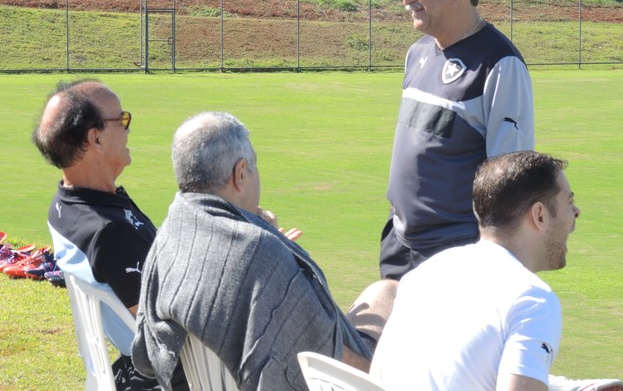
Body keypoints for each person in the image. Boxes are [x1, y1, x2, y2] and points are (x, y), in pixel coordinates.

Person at [131, 111, 397, 391]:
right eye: (255, 167)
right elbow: (325, 357)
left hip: (205, 382)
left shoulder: (169, 236)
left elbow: (147, 357)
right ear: (241, 173)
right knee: (396, 299)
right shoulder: (259, 253)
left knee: (385, 290)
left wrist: (267, 234)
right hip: (330, 380)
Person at [379, 0, 535, 281]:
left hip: (454, 258)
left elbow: (509, 184)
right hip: (399, 245)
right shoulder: (417, 53)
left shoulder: (500, 64)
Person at [371, 151, 581, 390]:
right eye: (569, 203)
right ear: (539, 215)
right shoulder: (533, 300)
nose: (576, 213)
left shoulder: (423, 274)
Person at [32, 80, 189, 391]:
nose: (128, 129)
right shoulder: (109, 232)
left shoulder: (70, 205)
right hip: (185, 374)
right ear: (96, 138)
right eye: (123, 120)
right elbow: (170, 330)